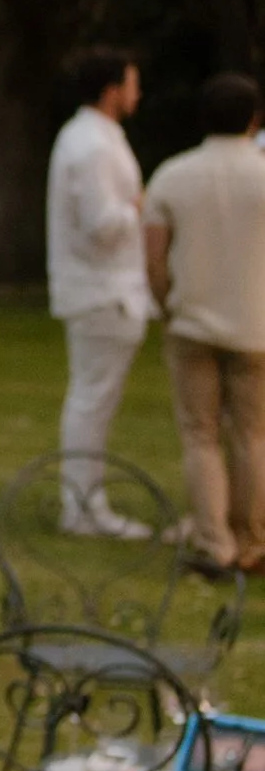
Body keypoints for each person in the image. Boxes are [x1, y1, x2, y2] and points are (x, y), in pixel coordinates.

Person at [144, 70, 265, 576]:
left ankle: (215, 541)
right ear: (254, 119)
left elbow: (154, 258)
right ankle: (254, 540)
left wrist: (167, 301)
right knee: (254, 434)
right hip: (256, 324)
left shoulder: (172, 175)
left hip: (192, 322)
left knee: (200, 434)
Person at [46, 46, 153, 533]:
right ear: (113, 92)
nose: (139, 93)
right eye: (133, 84)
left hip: (105, 288)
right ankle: (84, 508)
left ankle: (86, 501)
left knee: (93, 400)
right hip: (102, 290)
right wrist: (139, 205)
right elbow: (101, 225)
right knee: (92, 400)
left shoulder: (96, 138)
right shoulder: (92, 145)